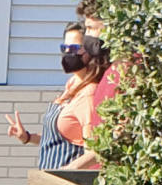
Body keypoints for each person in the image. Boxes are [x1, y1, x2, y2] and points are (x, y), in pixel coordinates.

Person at [6, 22, 119, 172]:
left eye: (74, 48)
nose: (67, 52)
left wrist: (65, 172)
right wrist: (27, 137)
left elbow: (93, 151)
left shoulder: (88, 94)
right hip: (49, 176)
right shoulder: (72, 84)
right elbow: (60, 138)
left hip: (67, 183)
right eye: (64, 47)